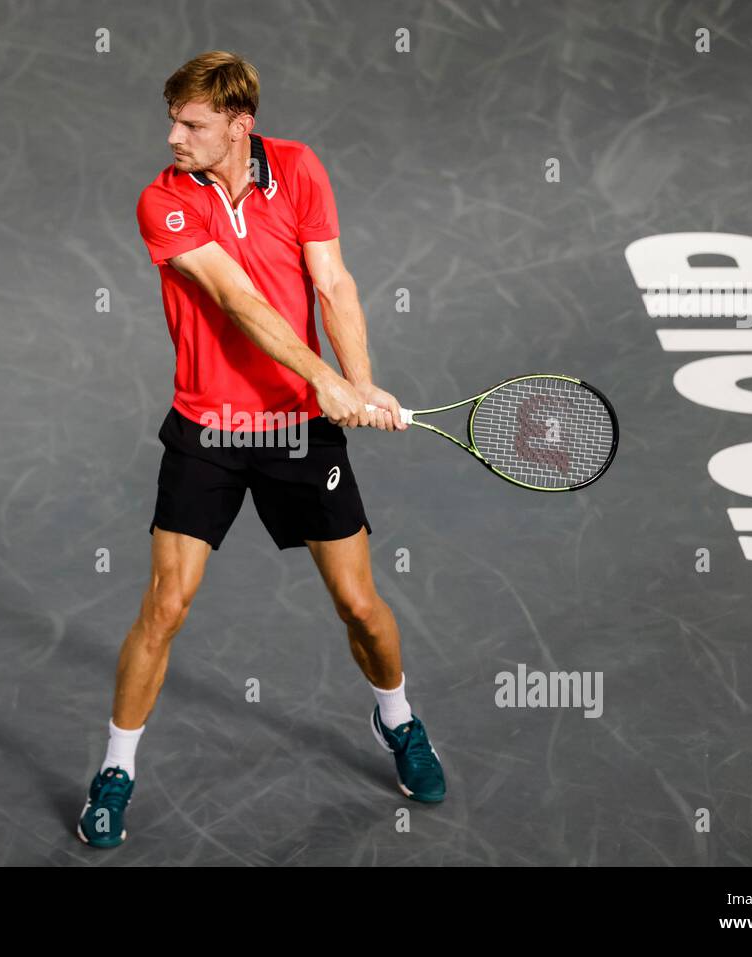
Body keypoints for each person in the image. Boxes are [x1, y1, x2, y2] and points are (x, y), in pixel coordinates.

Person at [77, 51, 445, 849]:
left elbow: (333, 282)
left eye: (192, 124)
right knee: (164, 607)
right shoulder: (163, 202)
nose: (172, 136)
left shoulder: (300, 169)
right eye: (173, 119)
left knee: (361, 606)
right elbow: (236, 300)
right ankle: (116, 769)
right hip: (207, 432)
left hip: (299, 433)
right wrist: (324, 376)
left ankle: (397, 717)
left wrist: (361, 381)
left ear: (239, 126)